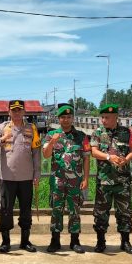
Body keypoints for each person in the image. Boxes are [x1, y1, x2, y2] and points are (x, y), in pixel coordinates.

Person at [0, 100, 41, 253]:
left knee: (26, 210)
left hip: (26, 178)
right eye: (14, 110)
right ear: (9, 112)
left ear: (24, 111)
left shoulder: (31, 128)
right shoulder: (2, 127)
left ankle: (25, 241)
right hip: (7, 177)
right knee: (5, 210)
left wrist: (37, 173)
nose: (17, 113)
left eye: (19, 110)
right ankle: (5, 242)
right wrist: (2, 139)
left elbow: (36, 153)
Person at [90, 103, 132, 254]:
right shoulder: (98, 132)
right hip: (104, 180)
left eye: (107, 118)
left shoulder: (126, 132)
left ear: (116, 117)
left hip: (122, 180)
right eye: (102, 117)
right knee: (101, 212)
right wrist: (109, 157)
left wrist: (126, 159)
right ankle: (100, 241)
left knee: (124, 212)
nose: (104, 120)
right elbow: (94, 152)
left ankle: (125, 241)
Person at [42, 105, 90, 254]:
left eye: (69, 117)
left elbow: (86, 158)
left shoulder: (81, 136)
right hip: (58, 180)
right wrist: (51, 142)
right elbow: (46, 155)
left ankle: (74, 241)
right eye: (63, 117)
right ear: (59, 119)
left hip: (75, 180)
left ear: (72, 118)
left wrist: (86, 178)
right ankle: (55, 240)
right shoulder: (51, 134)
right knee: (56, 210)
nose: (66, 120)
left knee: (74, 211)